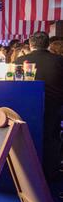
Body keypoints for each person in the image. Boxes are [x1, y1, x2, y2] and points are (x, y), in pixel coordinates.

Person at [16, 32, 63, 181]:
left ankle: (27, 172)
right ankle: (50, 173)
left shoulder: (20, 60)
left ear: (30, 44)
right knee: (52, 137)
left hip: (26, 106)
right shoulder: (59, 60)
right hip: (54, 105)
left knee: (27, 137)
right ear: (48, 44)